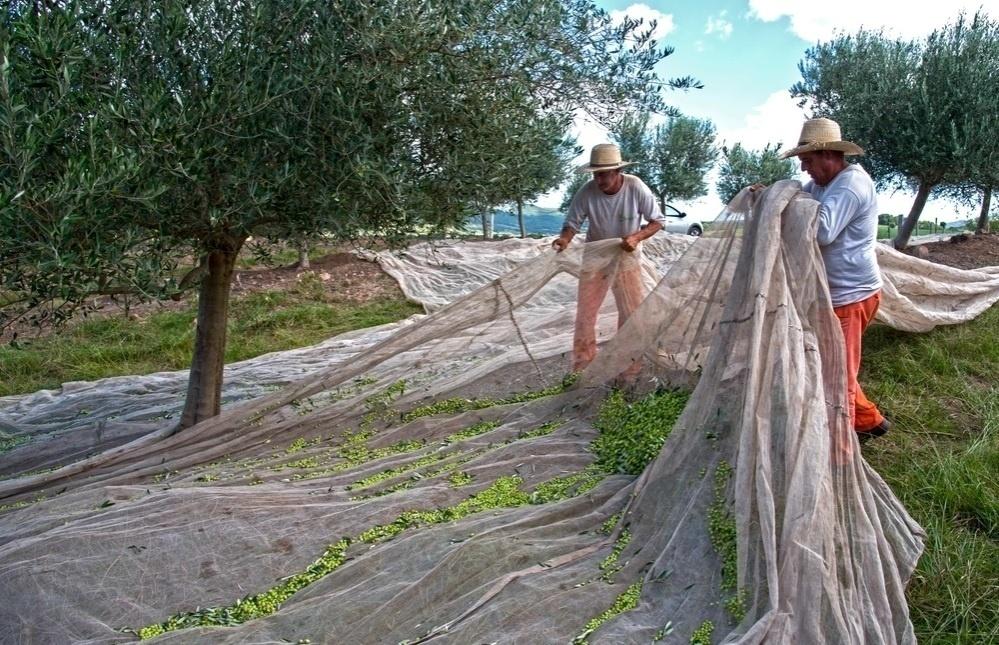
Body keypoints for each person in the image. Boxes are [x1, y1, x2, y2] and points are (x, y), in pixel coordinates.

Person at [779, 117, 889, 441]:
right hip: (835, 295)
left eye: (808, 161)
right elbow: (801, 199)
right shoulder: (821, 185)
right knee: (836, 365)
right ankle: (870, 421)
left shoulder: (852, 183)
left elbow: (823, 231)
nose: (804, 170)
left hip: (851, 297)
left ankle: (840, 452)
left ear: (829, 154)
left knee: (835, 376)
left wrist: (788, 205)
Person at [552, 143, 664, 371]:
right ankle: (582, 369)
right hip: (596, 259)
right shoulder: (587, 191)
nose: (599, 180)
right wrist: (564, 240)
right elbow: (572, 224)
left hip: (627, 257)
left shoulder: (635, 187)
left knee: (630, 312)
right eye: (596, 175)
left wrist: (636, 237)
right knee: (585, 314)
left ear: (618, 172)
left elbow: (658, 221)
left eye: (604, 175)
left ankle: (629, 367)